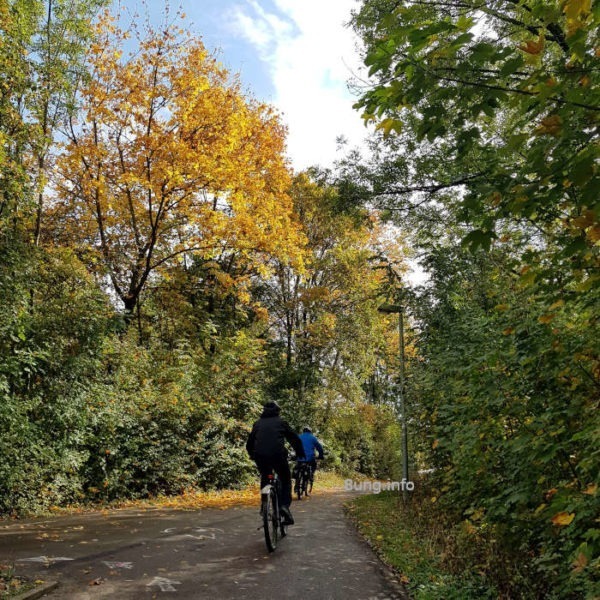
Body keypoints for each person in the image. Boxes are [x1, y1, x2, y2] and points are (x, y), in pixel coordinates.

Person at [246, 401, 305, 525]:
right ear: (278, 411)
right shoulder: (281, 422)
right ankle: (284, 506)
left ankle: (264, 503)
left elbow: (249, 443)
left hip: (260, 456)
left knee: (265, 476)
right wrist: (299, 453)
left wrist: (252, 455)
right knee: (285, 478)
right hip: (278, 456)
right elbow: (294, 439)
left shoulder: (257, 424)